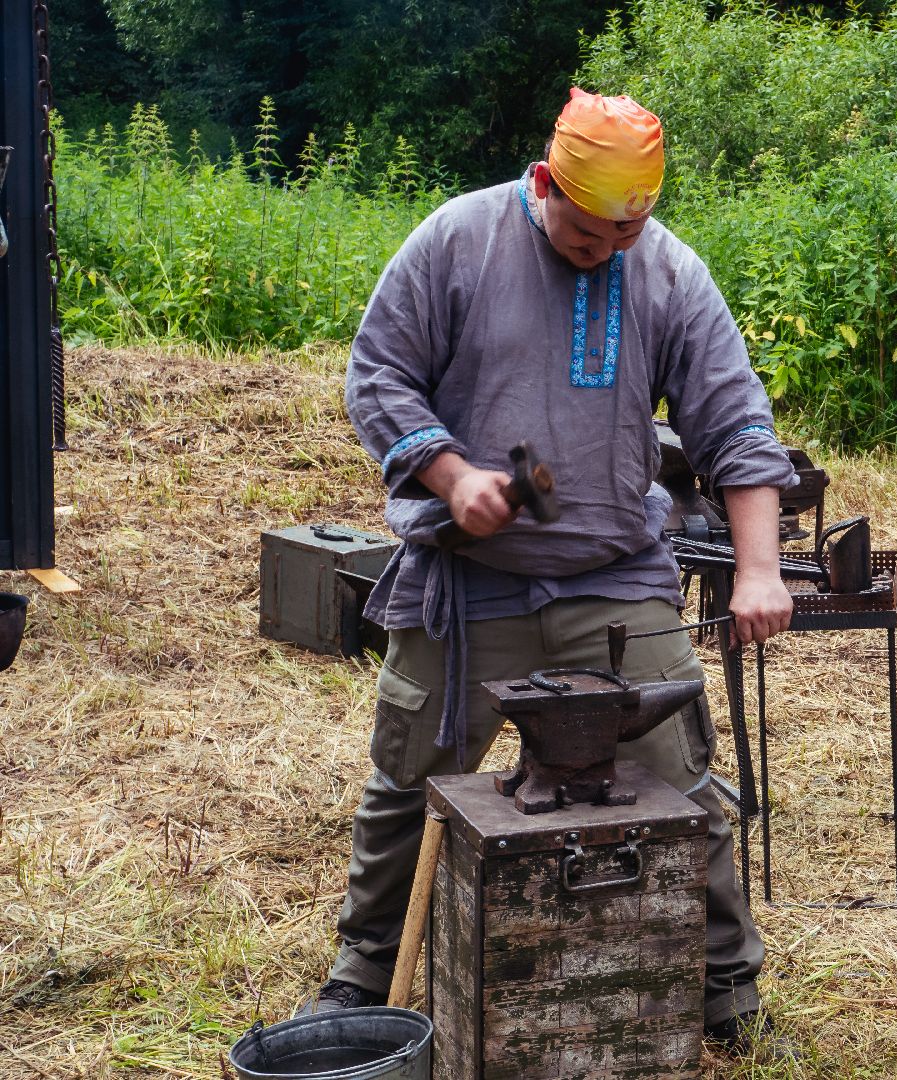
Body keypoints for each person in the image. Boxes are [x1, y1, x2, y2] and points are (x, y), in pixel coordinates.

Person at [302, 88, 798, 1059]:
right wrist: (452, 474)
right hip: (466, 578)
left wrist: (758, 571)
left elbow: (737, 424)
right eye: (587, 231)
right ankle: (364, 975)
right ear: (544, 185)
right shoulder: (458, 242)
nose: (607, 250)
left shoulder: (666, 272)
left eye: (627, 232)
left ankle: (725, 988)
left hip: (612, 580)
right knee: (408, 782)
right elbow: (378, 373)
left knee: (680, 781)